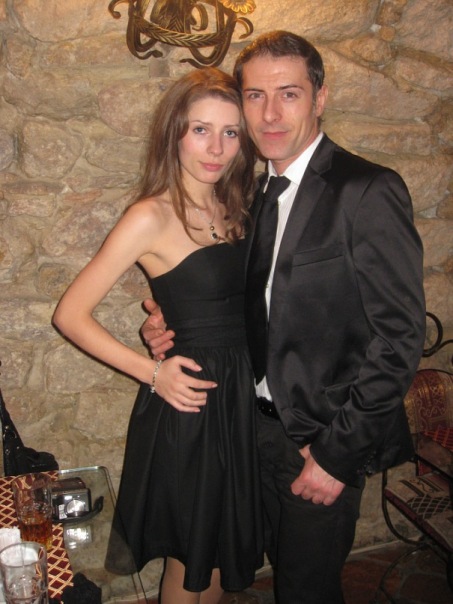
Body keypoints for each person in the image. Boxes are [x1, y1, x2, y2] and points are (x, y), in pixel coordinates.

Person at [142, 31, 426, 604]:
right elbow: (245, 301)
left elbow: (399, 340)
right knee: (238, 565)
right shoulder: (247, 193)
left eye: (289, 94)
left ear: (320, 98)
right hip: (245, 428)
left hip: (319, 440)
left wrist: (335, 457)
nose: (269, 114)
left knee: (304, 589)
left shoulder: (366, 190)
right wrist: (168, 323)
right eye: (255, 96)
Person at [52, 67, 263, 604]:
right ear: (175, 133)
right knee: (189, 555)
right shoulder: (150, 216)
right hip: (190, 402)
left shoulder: (239, 205)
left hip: (240, 398)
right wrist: (152, 372)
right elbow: (70, 314)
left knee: (217, 549)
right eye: (201, 130)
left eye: (230, 132)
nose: (216, 148)